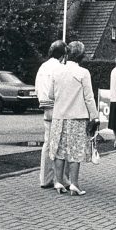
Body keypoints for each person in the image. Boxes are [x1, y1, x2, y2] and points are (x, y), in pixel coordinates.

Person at [48, 41, 100, 196]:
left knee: (59, 149)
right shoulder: (83, 73)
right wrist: (95, 117)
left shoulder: (57, 71)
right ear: (81, 56)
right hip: (77, 117)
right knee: (75, 151)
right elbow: (89, 98)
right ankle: (74, 184)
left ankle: (58, 182)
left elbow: (50, 95)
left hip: (59, 117)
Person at [35, 40, 68, 189]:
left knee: (48, 143)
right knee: (60, 145)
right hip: (57, 108)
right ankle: (59, 179)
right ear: (63, 55)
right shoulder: (60, 68)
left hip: (45, 108)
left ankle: (45, 178)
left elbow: (37, 87)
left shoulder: (43, 67)